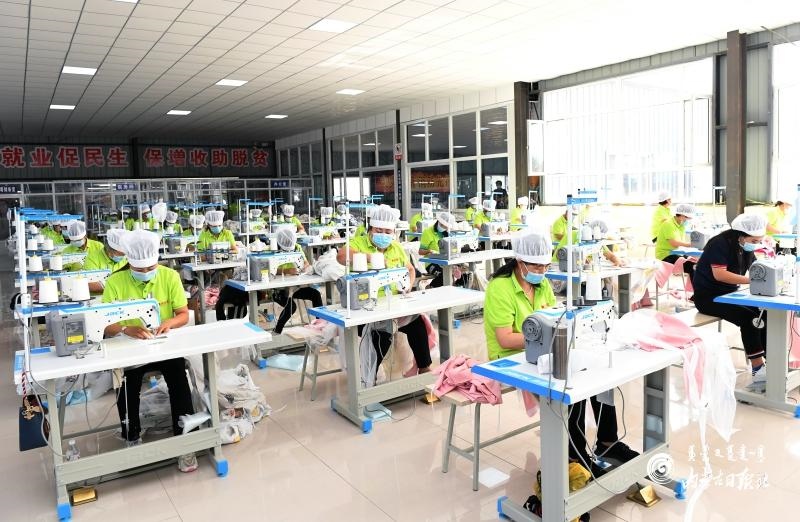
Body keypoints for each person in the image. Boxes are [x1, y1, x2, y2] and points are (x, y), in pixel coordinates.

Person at [485, 230, 638, 474]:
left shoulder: (542, 284)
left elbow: (553, 318)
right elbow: (504, 339)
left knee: (597, 374)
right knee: (570, 386)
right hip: (513, 358)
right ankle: (574, 456)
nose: (542, 271)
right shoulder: (499, 288)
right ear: (519, 262)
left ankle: (608, 442)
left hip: (546, 349)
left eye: (545, 266)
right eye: (536, 266)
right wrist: (553, 337)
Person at [101, 230, 197, 473]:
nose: (145, 272)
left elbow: (183, 314)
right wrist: (126, 329)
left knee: (179, 380)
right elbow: (105, 324)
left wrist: (169, 323)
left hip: (163, 343)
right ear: (129, 262)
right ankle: (131, 436)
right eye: (139, 269)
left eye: (150, 268)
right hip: (131, 347)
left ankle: (186, 440)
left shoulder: (169, 276)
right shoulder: (115, 282)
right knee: (127, 385)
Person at [336, 205, 431, 376]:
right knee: (383, 333)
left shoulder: (396, 247)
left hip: (392, 305)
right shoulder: (358, 243)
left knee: (417, 324)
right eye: (379, 230)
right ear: (370, 229)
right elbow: (341, 256)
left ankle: (424, 370)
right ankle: (368, 379)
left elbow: (410, 269)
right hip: (364, 308)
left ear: (394, 232)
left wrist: (408, 286)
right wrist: (371, 258)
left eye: (388, 232)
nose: (384, 235)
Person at [692, 214, 768, 389]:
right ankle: (758, 368)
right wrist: (752, 281)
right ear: (741, 235)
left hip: (729, 293)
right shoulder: (719, 244)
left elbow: (755, 267)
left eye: (759, 241)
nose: (755, 244)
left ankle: (772, 360)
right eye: (754, 241)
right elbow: (720, 275)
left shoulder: (744, 246)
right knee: (750, 319)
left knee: (763, 314)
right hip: (708, 297)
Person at [270, 227, 323, 334]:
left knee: (315, 294)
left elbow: (306, 263)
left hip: (295, 286)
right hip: (279, 290)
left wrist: (304, 268)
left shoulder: (297, 247)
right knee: (291, 306)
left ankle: (320, 324)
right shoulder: (273, 249)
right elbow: (268, 270)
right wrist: (286, 271)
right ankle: (277, 330)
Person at [419, 212, 463, 288]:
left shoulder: (447, 234)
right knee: (445, 275)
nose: (443, 227)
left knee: (463, 275)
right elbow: (420, 251)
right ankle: (430, 287)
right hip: (431, 263)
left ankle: (455, 290)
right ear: (438, 221)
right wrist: (429, 251)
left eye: (445, 227)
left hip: (446, 261)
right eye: (442, 225)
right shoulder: (427, 232)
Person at [655, 203, 696, 281]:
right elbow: (674, 243)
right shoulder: (668, 224)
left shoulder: (681, 225)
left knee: (697, 263)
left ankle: (697, 287)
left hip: (676, 253)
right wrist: (691, 245)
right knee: (693, 266)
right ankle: (697, 288)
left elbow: (680, 242)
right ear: (682, 215)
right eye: (688, 218)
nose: (688, 220)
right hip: (665, 255)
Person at [83, 228, 128, 294]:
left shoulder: (127, 258)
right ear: (109, 250)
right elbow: (90, 285)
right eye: (120, 254)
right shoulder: (92, 259)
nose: (123, 257)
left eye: (124, 254)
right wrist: (117, 283)